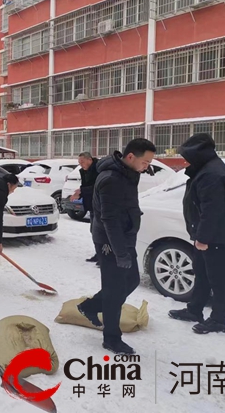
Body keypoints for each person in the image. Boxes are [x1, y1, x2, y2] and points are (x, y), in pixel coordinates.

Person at [77, 138, 156, 355]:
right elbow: (108, 219)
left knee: (131, 280)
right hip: (109, 241)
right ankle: (111, 338)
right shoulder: (111, 179)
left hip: (124, 237)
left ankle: (90, 307)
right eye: (146, 162)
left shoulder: (128, 173)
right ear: (130, 157)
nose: (147, 167)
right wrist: (120, 253)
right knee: (114, 290)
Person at [168, 133, 225, 334]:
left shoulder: (211, 173)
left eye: (188, 156)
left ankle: (218, 321)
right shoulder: (206, 168)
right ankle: (194, 310)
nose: (186, 160)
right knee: (201, 274)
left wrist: (203, 238)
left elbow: (212, 210)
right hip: (208, 235)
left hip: (217, 237)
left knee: (218, 280)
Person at [71, 152, 99, 263]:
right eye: (79, 163)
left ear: (89, 159)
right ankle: (99, 253)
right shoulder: (83, 171)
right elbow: (85, 186)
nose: (81, 165)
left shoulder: (98, 169)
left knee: (101, 232)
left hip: (101, 205)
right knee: (94, 231)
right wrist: (79, 193)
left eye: (82, 162)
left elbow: (97, 187)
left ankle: (105, 257)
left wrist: (82, 191)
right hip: (91, 205)